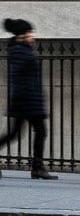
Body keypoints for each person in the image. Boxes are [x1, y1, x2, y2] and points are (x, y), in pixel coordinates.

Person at [0, 19, 57, 180]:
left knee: (14, 133)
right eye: (31, 32)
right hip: (26, 101)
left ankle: (37, 168)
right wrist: (28, 96)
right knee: (39, 131)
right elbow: (18, 76)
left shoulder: (22, 49)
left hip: (28, 100)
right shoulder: (19, 51)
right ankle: (37, 168)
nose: (33, 35)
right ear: (23, 35)